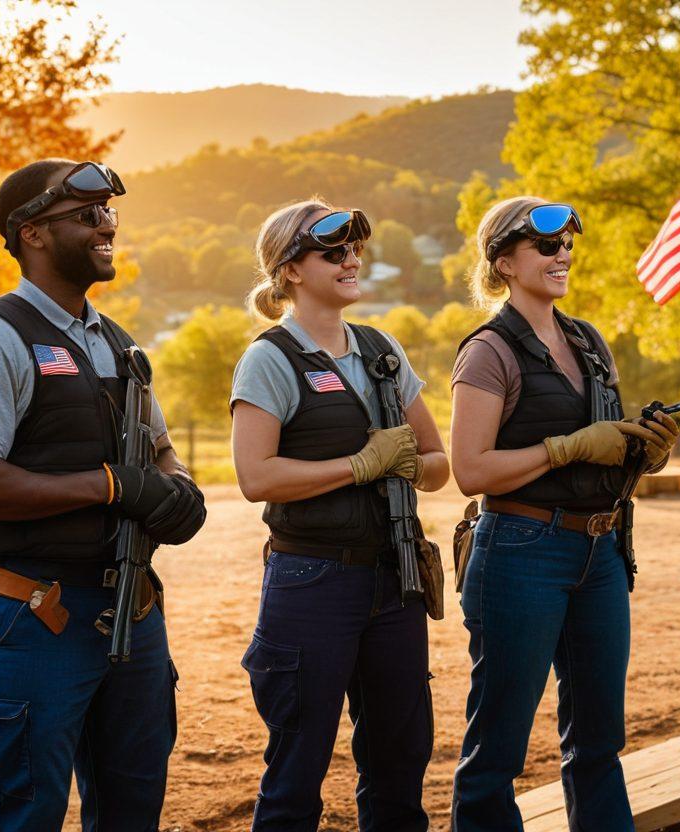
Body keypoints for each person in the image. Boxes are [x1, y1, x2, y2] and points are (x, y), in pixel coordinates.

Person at [0, 158, 206, 831]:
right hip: (36, 616)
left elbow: (159, 449)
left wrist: (178, 488)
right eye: (86, 216)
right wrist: (109, 488)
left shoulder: (118, 344)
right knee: (28, 810)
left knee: (131, 810)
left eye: (109, 213)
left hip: (134, 611)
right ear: (32, 233)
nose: (106, 225)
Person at [447, 197, 679, 831]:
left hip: (601, 556)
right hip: (520, 552)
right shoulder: (488, 352)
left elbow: (607, 454)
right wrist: (569, 447)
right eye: (547, 247)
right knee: (498, 749)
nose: (563, 255)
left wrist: (643, 452)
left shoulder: (587, 340)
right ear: (504, 262)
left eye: (568, 245)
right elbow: (471, 470)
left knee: (599, 741)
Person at [230, 199, 449, 832]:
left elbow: (437, 464)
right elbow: (256, 478)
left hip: (395, 578)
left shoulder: (383, 351)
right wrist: (360, 464)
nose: (352, 259)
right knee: (298, 769)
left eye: (354, 248)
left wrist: (408, 464)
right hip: (311, 583)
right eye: (333, 251)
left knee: (400, 761)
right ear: (291, 271)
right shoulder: (269, 358)